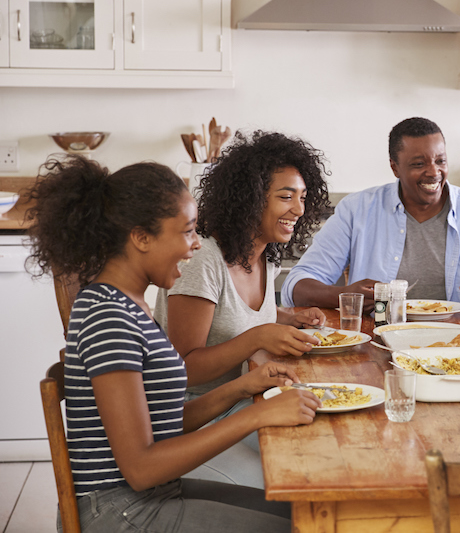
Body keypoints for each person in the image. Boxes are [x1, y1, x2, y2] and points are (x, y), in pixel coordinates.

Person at [26, 157, 319, 533]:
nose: (195, 245)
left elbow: (163, 424)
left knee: (305, 513)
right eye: (186, 232)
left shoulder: (131, 305)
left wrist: (244, 387)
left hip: (152, 497)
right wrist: (257, 415)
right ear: (141, 237)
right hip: (121, 512)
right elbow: (141, 468)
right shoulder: (108, 317)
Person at [282, 117, 460, 308]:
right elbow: (296, 287)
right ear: (395, 168)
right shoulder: (357, 210)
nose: (434, 172)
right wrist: (344, 295)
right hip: (379, 340)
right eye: (418, 163)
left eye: (440, 160)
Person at [154, 131, 332, 397]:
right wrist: (259, 337)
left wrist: (289, 319)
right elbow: (184, 370)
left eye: (303, 198)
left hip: (247, 396)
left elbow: (232, 316)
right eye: (286, 197)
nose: (299, 209)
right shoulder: (202, 259)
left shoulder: (264, 253)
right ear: (251, 199)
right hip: (195, 411)